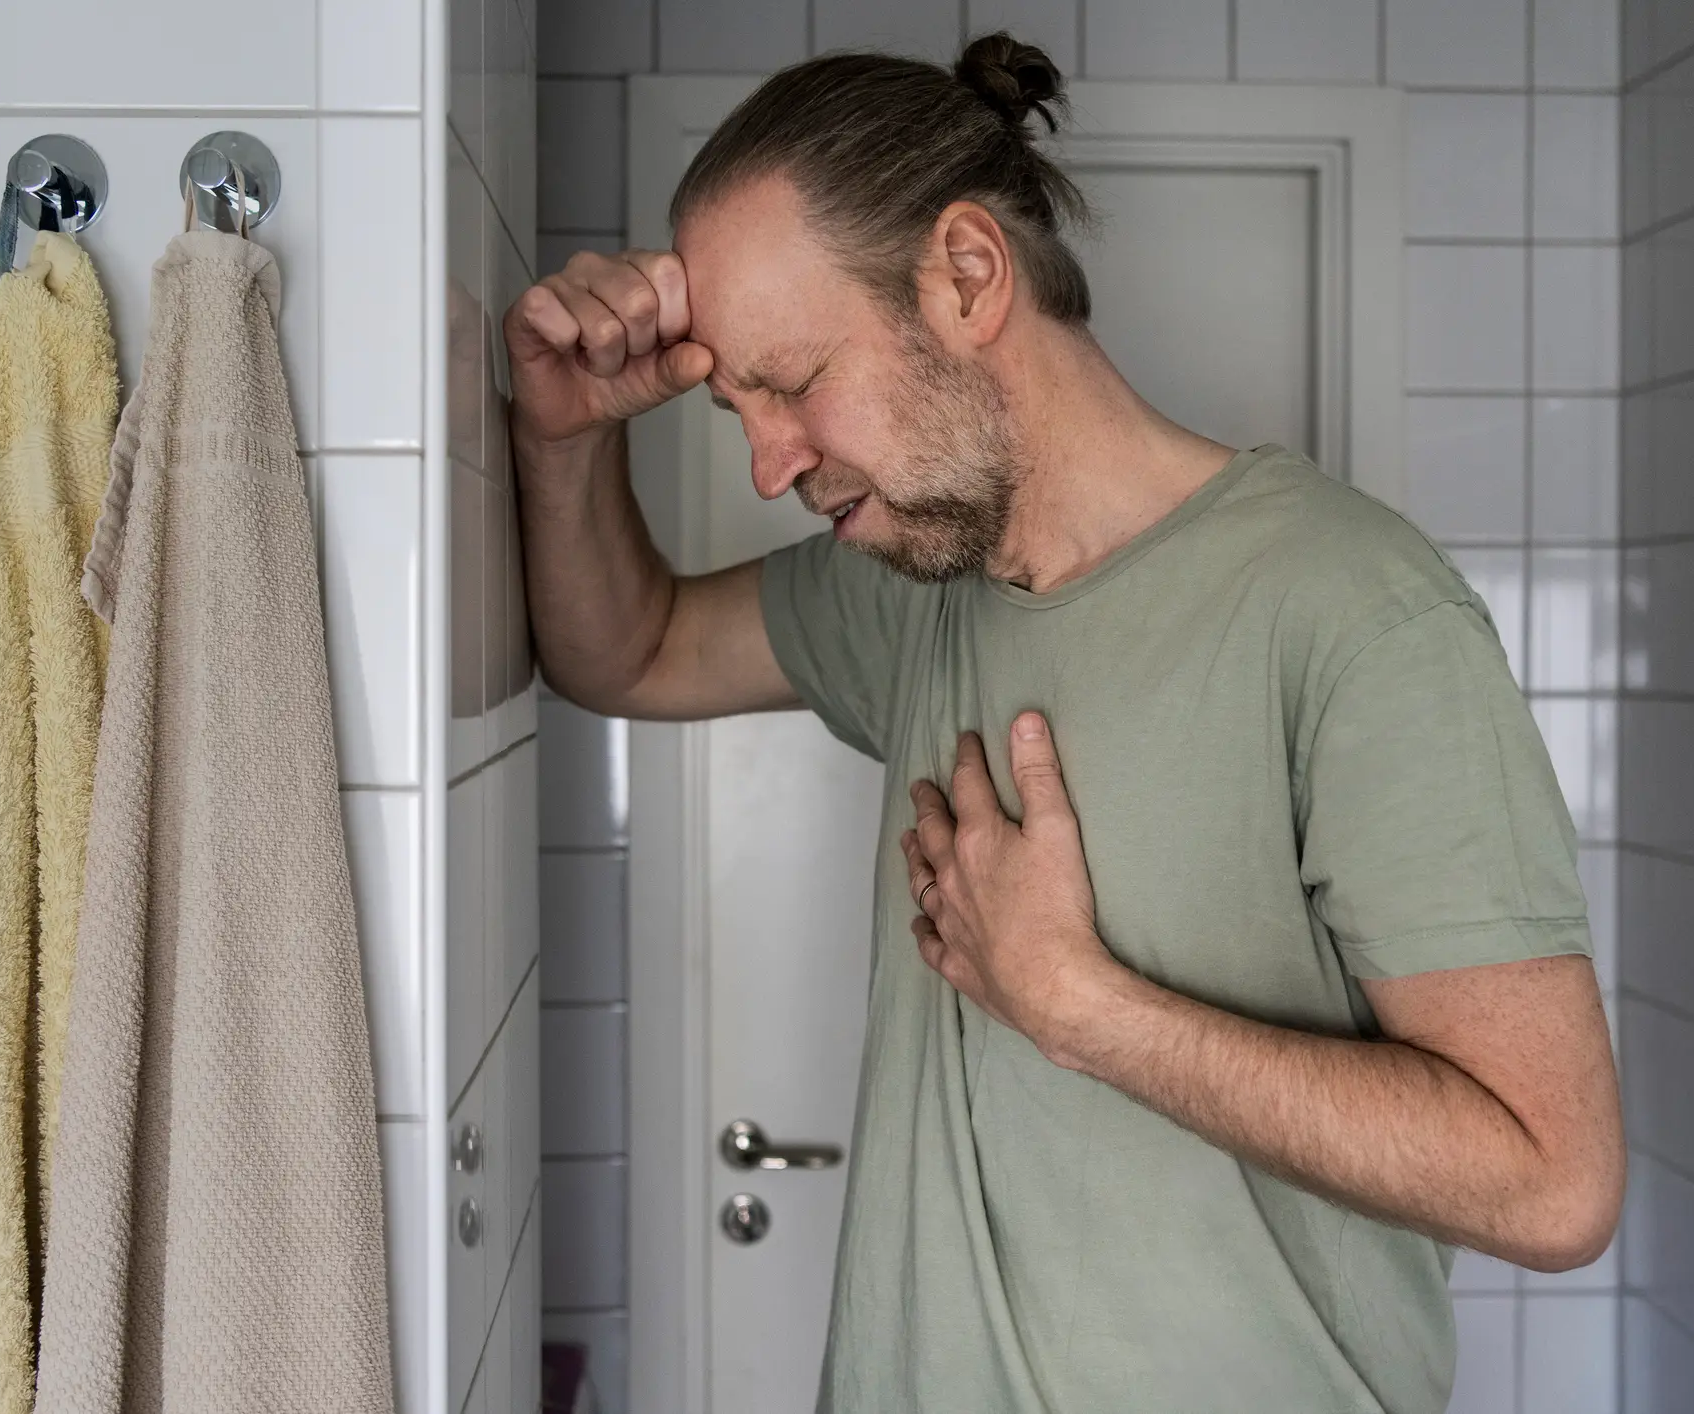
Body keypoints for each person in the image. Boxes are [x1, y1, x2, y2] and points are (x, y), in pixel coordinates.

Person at [506, 32, 1624, 1414]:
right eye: (739, 404)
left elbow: (1556, 1176)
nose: (770, 459)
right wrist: (562, 440)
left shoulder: (1354, 612)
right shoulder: (920, 586)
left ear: (968, 275)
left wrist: (1080, 1006)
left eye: (790, 382)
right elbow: (630, 648)